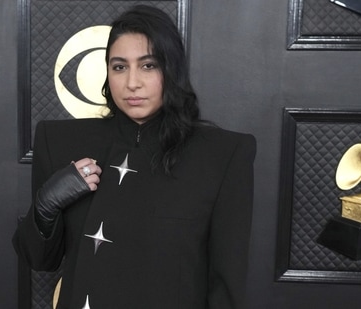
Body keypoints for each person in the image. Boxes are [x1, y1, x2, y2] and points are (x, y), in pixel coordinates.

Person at [13, 5, 256, 309]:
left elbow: (227, 285)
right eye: (119, 67)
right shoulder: (60, 142)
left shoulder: (223, 155)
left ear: (171, 69)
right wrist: (45, 206)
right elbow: (39, 260)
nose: (132, 83)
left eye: (148, 65)